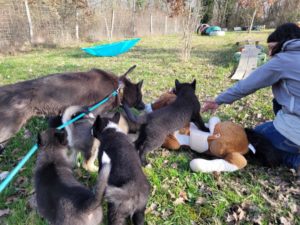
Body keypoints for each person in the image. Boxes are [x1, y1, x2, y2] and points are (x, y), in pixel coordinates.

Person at [202, 23, 300, 175]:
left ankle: (294, 159)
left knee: (251, 139)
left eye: (272, 48)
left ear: (283, 43)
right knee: (276, 103)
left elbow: (247, 85)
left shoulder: (283, 60)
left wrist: (217, 100)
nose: (269, 54)